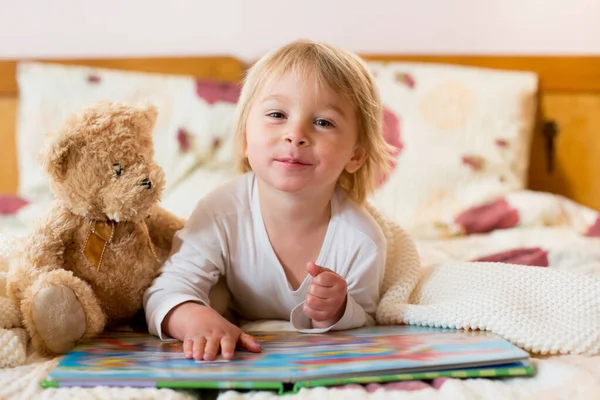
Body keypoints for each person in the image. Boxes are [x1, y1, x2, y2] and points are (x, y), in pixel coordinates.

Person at [143, 39, 396, 362]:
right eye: (277, 114)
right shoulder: (220, 213)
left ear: (356, 154)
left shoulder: (361, 241)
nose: (296, 134)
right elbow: (164, 292)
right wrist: (197, 320)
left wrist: (339, 310)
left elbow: (367, 321)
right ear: (246, 138)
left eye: (323, 122)